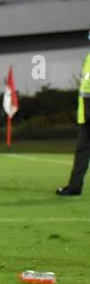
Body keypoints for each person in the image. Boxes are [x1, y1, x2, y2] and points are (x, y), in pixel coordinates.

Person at [56, 33, 90, 196]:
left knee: (82, 150)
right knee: (81, 150)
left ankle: (75, 186)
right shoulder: (89, 58)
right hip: (86, 115)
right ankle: (75, 186)